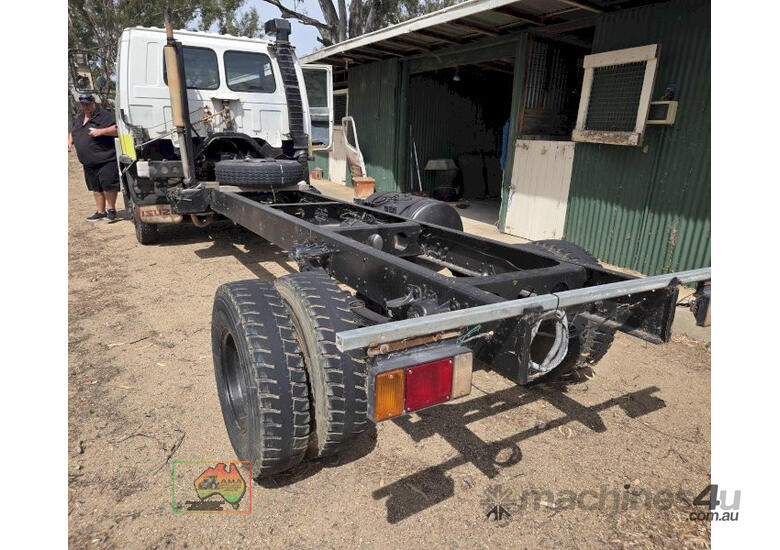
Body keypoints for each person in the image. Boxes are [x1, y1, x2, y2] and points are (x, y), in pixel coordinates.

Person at [68, 93, 120, 221]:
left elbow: (118, 129)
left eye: (88, 104)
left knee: (108, 185)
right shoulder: (80, 117)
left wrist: (101, 131)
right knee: (96, 188)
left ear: (94, 103)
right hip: (89, 162)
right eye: (83, 104)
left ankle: (111, 210)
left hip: (106, 159)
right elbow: (74, 131)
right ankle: (100, 212)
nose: (85, 107)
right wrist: (70, 141)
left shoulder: (105, 116)